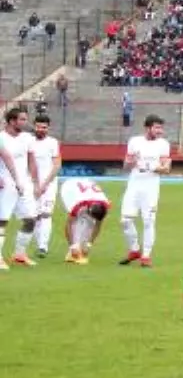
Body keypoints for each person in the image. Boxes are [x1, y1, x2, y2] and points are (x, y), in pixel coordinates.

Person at [119, 114, 172, 268]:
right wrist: (130, 162)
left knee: (149, 221)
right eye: (156, 127)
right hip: (134, 186)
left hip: (151, 188)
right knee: (125, 220)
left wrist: (150, 167)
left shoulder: (163, 144)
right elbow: (126, 166)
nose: (159, 131)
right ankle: (135, 249)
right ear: (147, 127)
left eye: (161, 128)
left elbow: (166, 168)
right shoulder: (134, 142)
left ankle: (146, 256)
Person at [0, 107, 38, 269]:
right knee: (2, 221)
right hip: (5, 183)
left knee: (31, 219)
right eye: (21, 119)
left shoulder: (27, 138)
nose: (25, 122)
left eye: (25, 119)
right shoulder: (1, 137)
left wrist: (34, 181)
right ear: (11, 121)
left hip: (24, 183)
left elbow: (31, 159)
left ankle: (19, 254)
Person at [30, 113, 61, 258]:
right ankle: (39, 244)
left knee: (46, 214)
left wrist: (45, 184)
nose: (41, 129)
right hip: (30, 183)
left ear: (48, 128)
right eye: (38, 126)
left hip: (48, 184)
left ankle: (43, 246)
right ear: (34, 126)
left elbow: (56, 165)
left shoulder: (53, 142)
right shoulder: (28, 141)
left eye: (44, 127)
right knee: (34, 215)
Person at [60, 178, 111, 264]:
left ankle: (81, 248)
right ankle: (74, 251)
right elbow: (68, 224)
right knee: (78, 220)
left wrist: (89, 244)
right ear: (89, 209)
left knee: (90, 222)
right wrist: (72, 246)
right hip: (69, 189)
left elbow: (98, 225)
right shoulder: (77, 204)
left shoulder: (105, 204)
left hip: (86, 190)